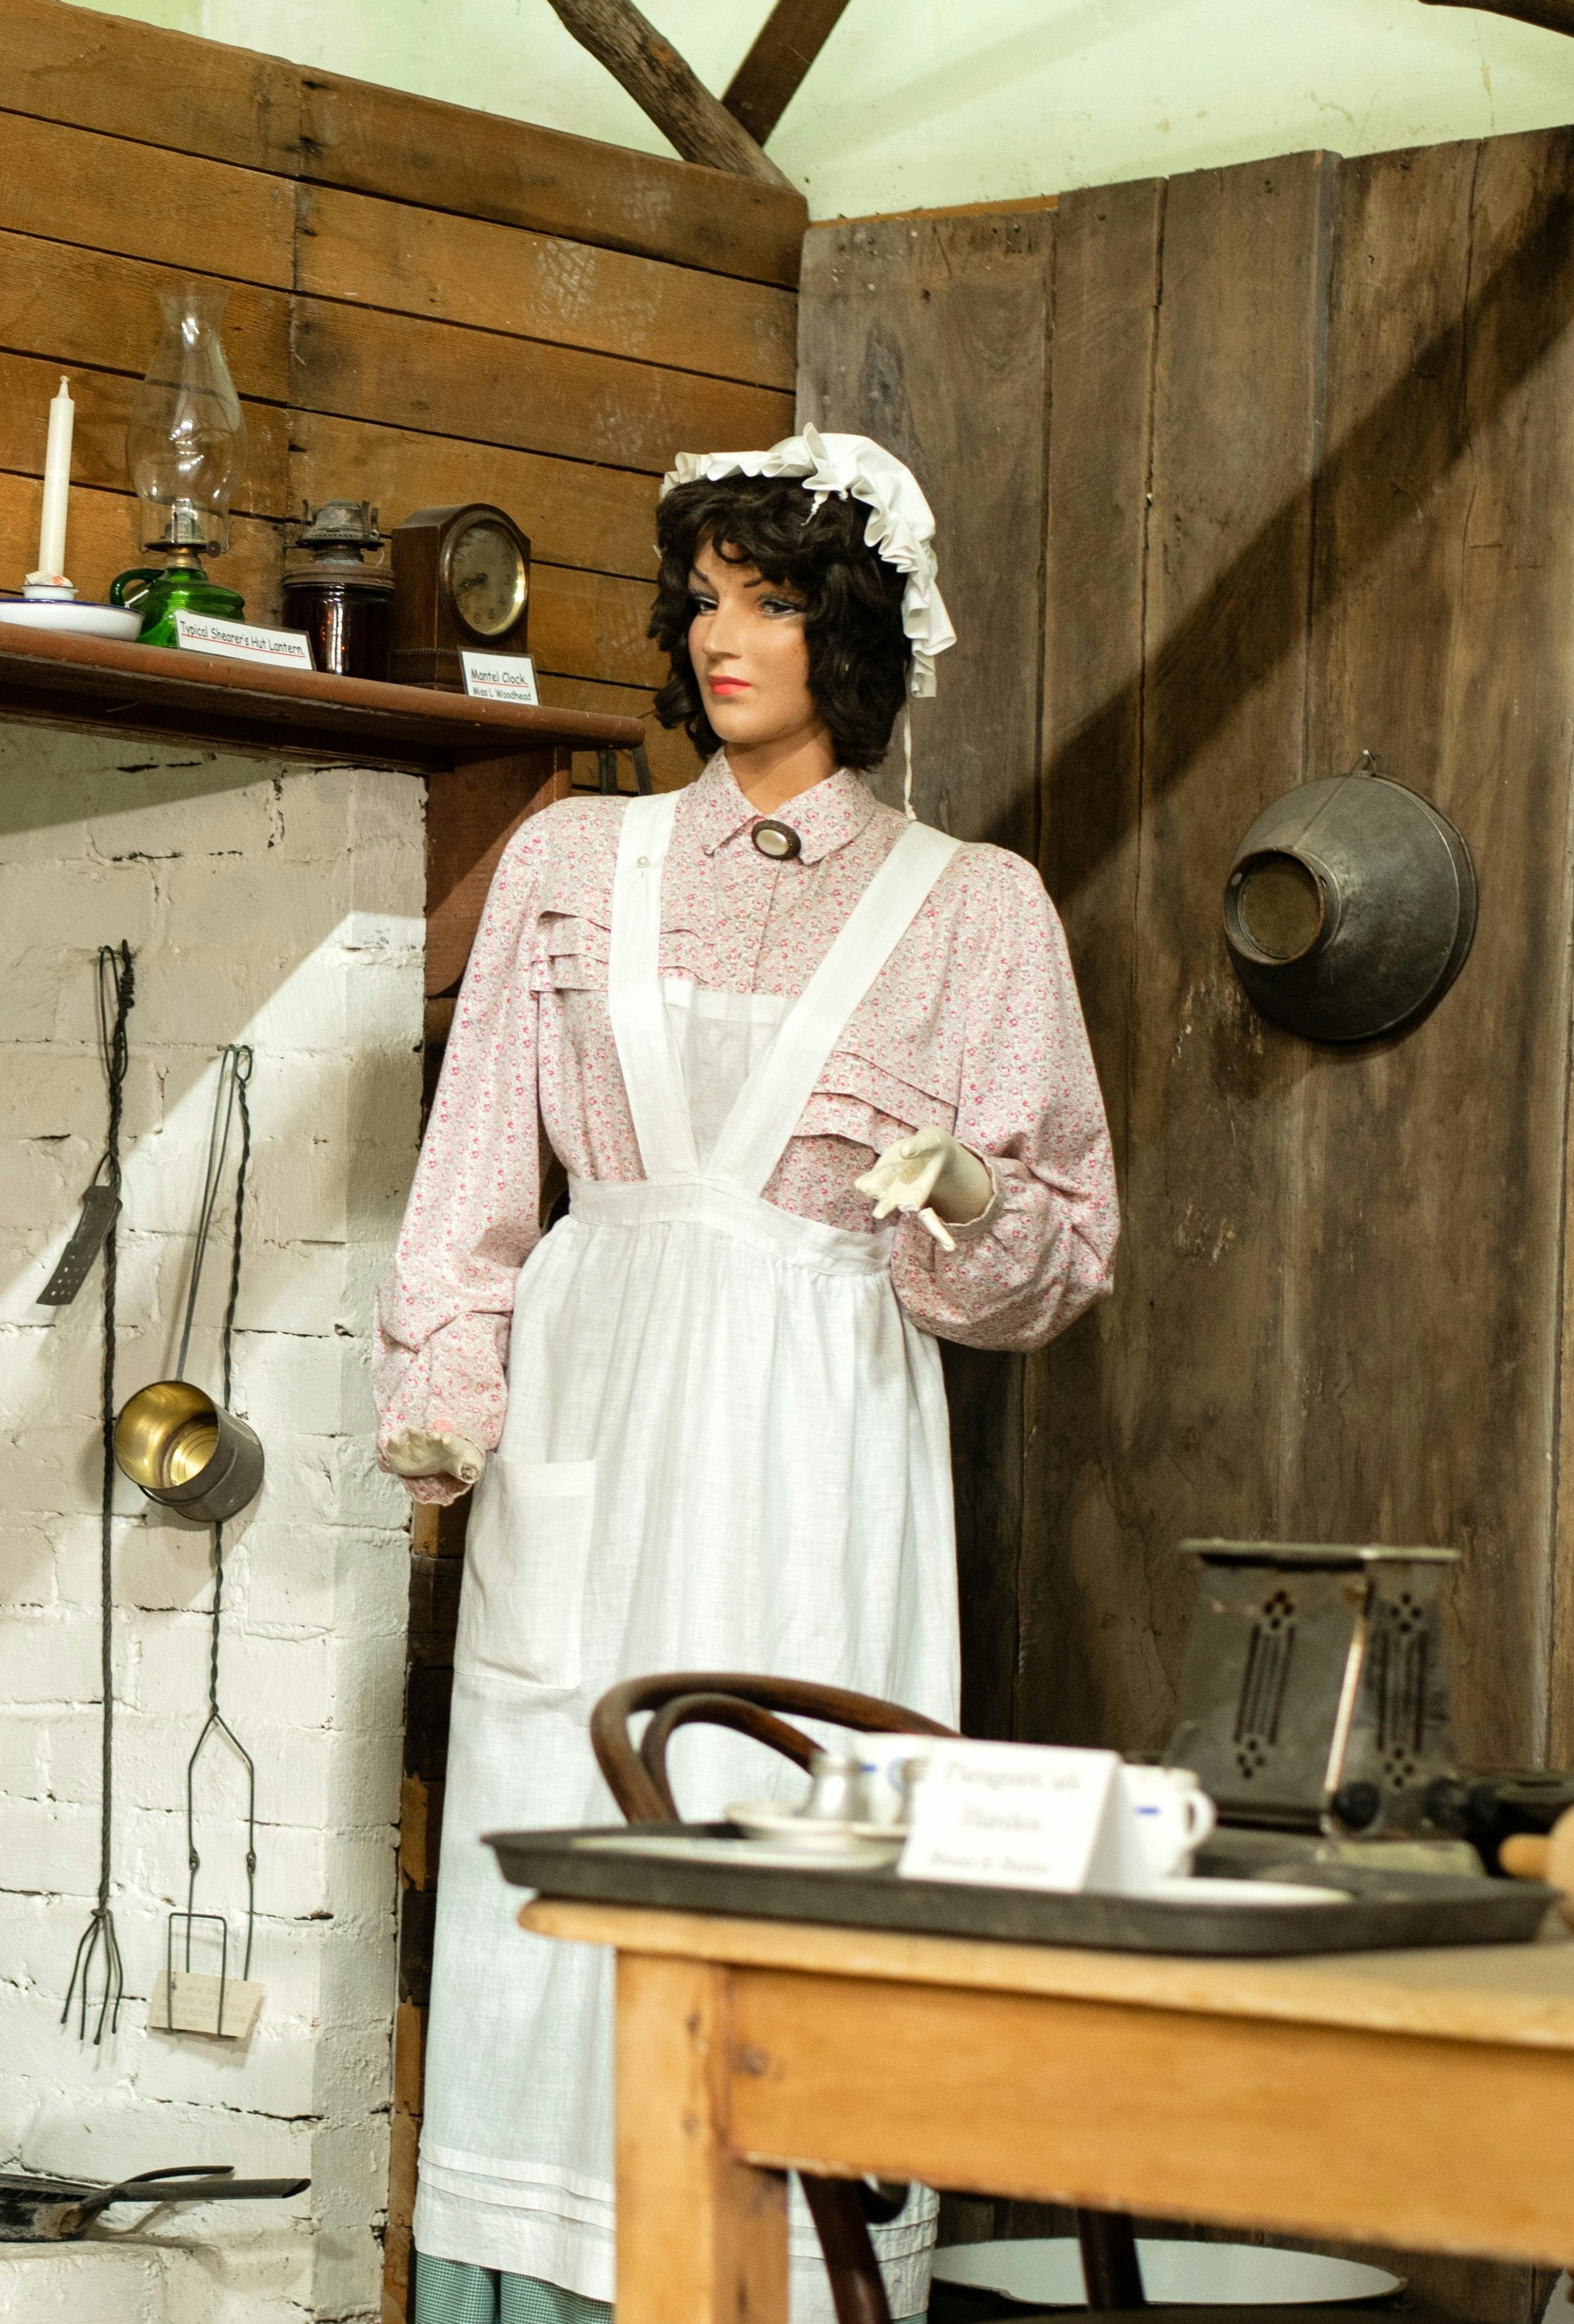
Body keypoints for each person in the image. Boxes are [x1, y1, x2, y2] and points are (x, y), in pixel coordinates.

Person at [377, 429, 1119, 2324]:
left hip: (820, 1439)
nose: (726, 637)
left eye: (774, 601)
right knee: (566, 1866)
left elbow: (1051, 1264)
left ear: (853, 632)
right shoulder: (571, 861)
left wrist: (960, 1197)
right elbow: (473, 1191)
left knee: (794, 1841)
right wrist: (450, 1401)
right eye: (706, 596)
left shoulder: (976, 909)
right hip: (599, 1416)